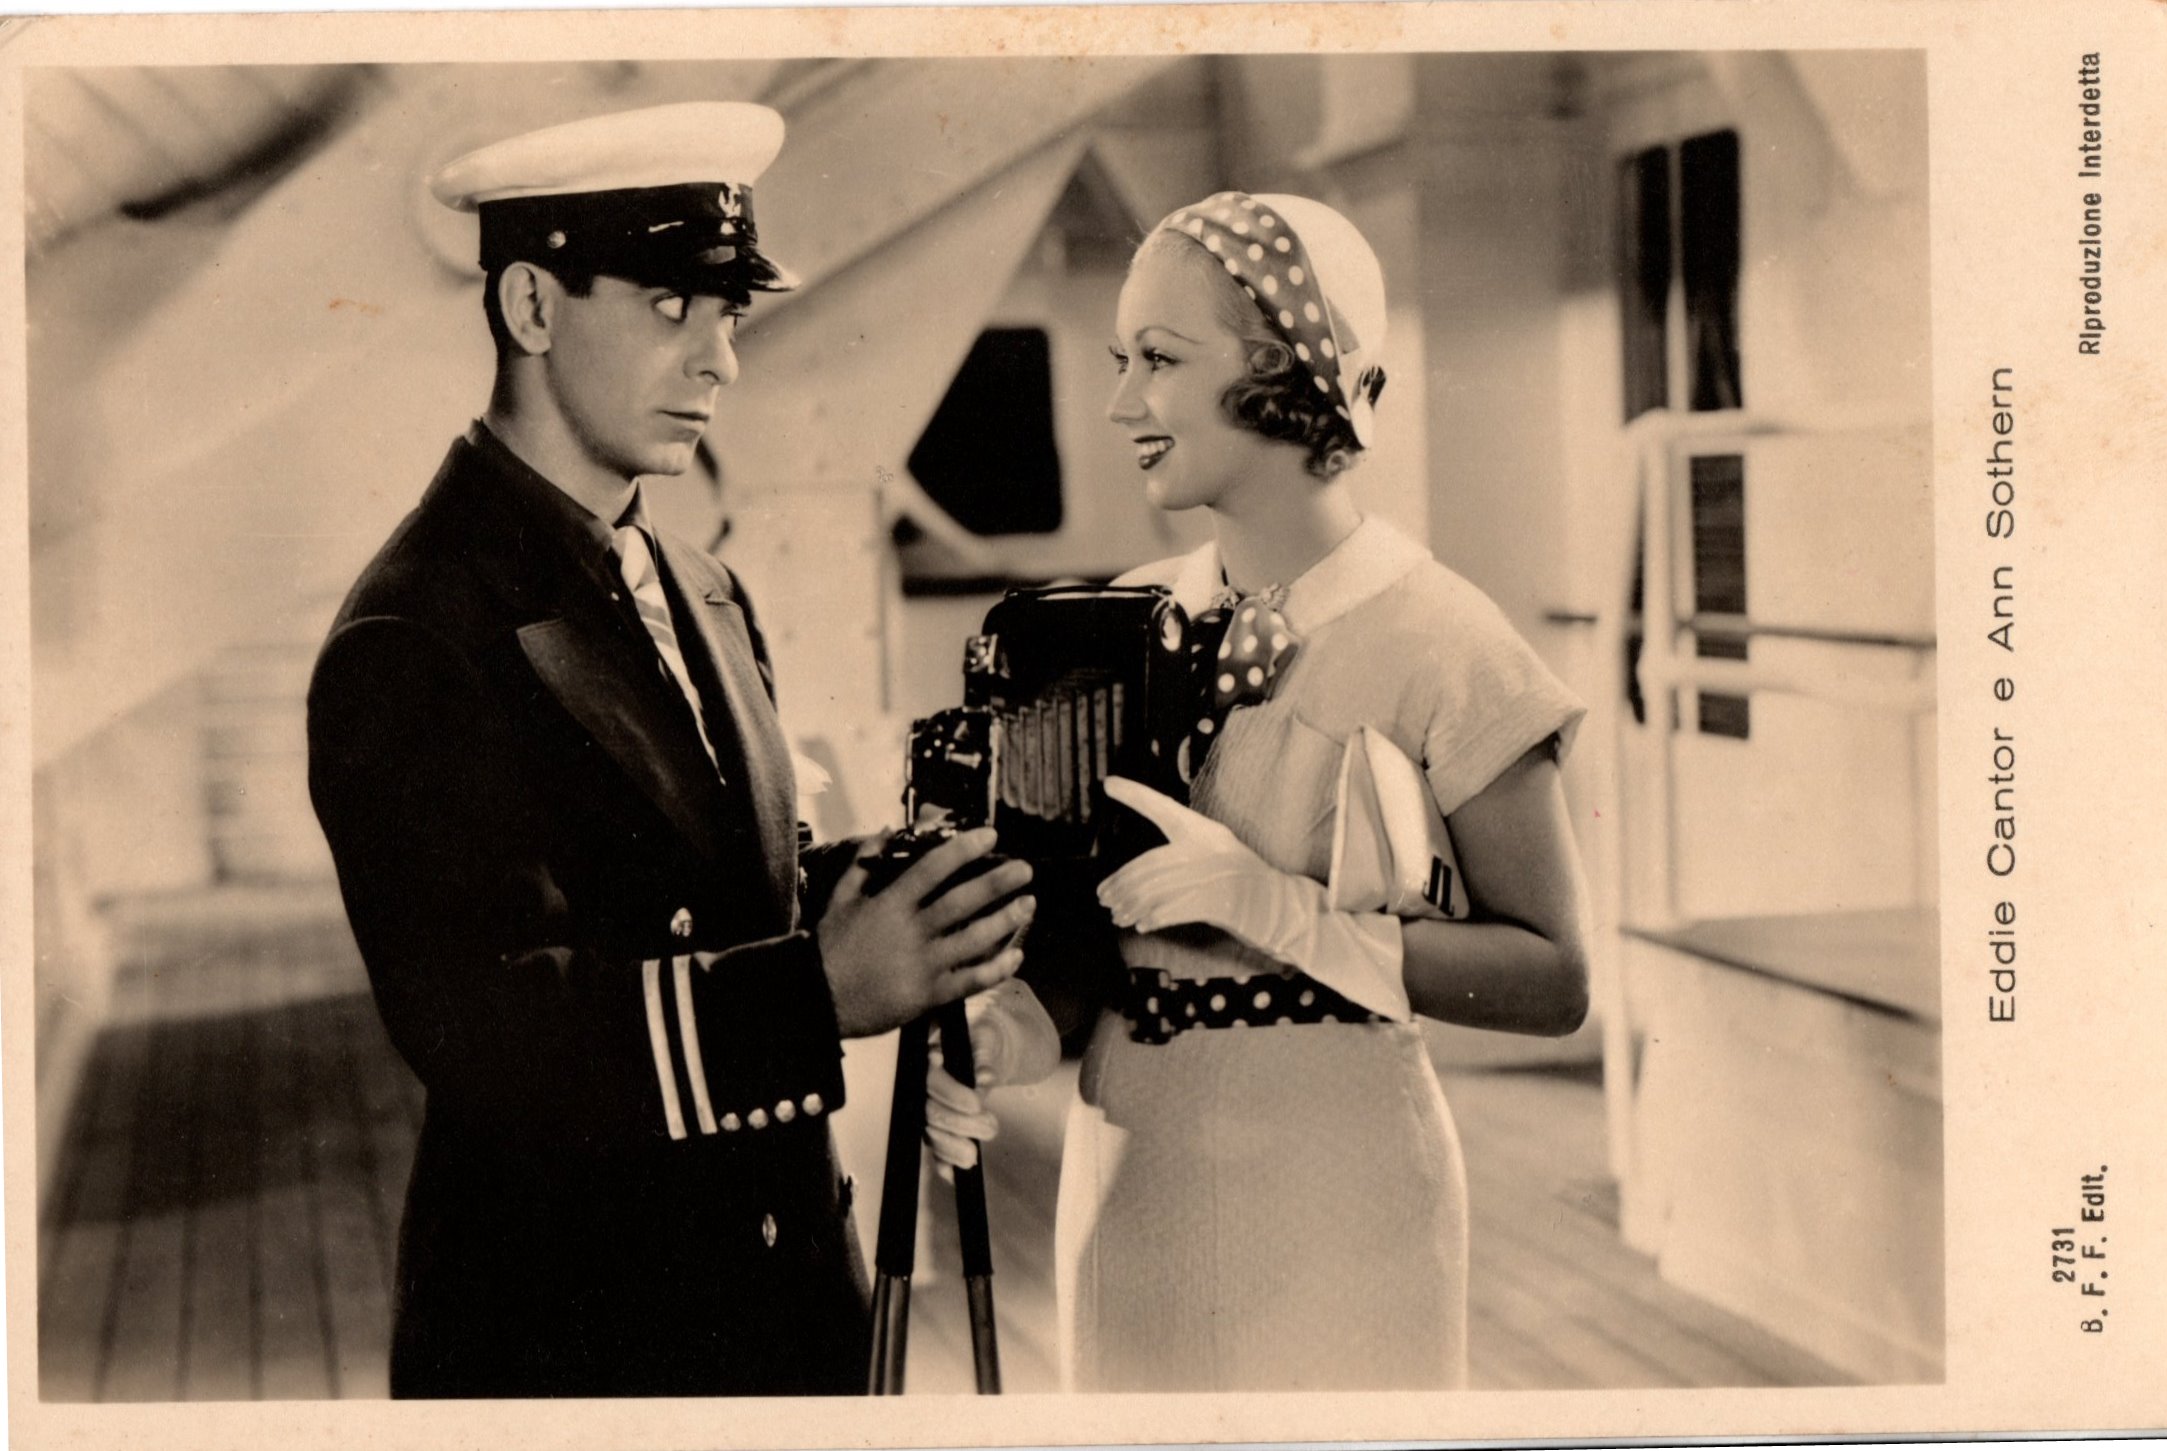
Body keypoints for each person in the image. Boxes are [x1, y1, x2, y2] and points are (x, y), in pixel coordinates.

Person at [306, 101, 1034, 1399]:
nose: (721, 360)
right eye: (671, 307)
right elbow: (486, 1024)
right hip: (577, 1343)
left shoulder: (698, 586)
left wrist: (920, 897)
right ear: (532, 304)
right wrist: (819, 994)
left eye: (729, 313)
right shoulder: (415, 629)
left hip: (783, 1306)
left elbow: (739, 884)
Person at [927, 191, 1593, 1392]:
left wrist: (1284, 912)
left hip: (1342, 1200)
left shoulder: (1447, 641)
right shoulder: (1113, 626)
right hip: (1127, 1184)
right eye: (1121, 361)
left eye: (1159, 359)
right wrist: (1003, 1032)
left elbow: (1555, 981)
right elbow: (1078, 938)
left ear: (1284, 369)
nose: (1122, 402)